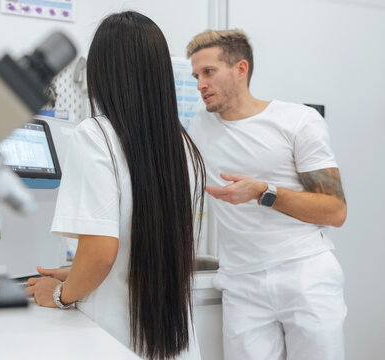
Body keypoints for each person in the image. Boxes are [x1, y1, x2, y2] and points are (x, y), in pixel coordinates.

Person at [26, 11, 206, 360]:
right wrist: (79, 271)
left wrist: (62, 292)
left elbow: (101, 253)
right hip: (175, 344)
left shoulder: (95, 136)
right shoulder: (181, 144)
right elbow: (138, 250)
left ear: (102, 72)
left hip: (114, 339)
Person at [186, 29, 348, 360]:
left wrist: (263, 192)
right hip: (241, 285)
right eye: (196, 75)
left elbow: (334, 210)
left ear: (240, 69)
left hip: (304, 273)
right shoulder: (199, 126)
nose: (200, 83)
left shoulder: (297, 121)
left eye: (209, 72)